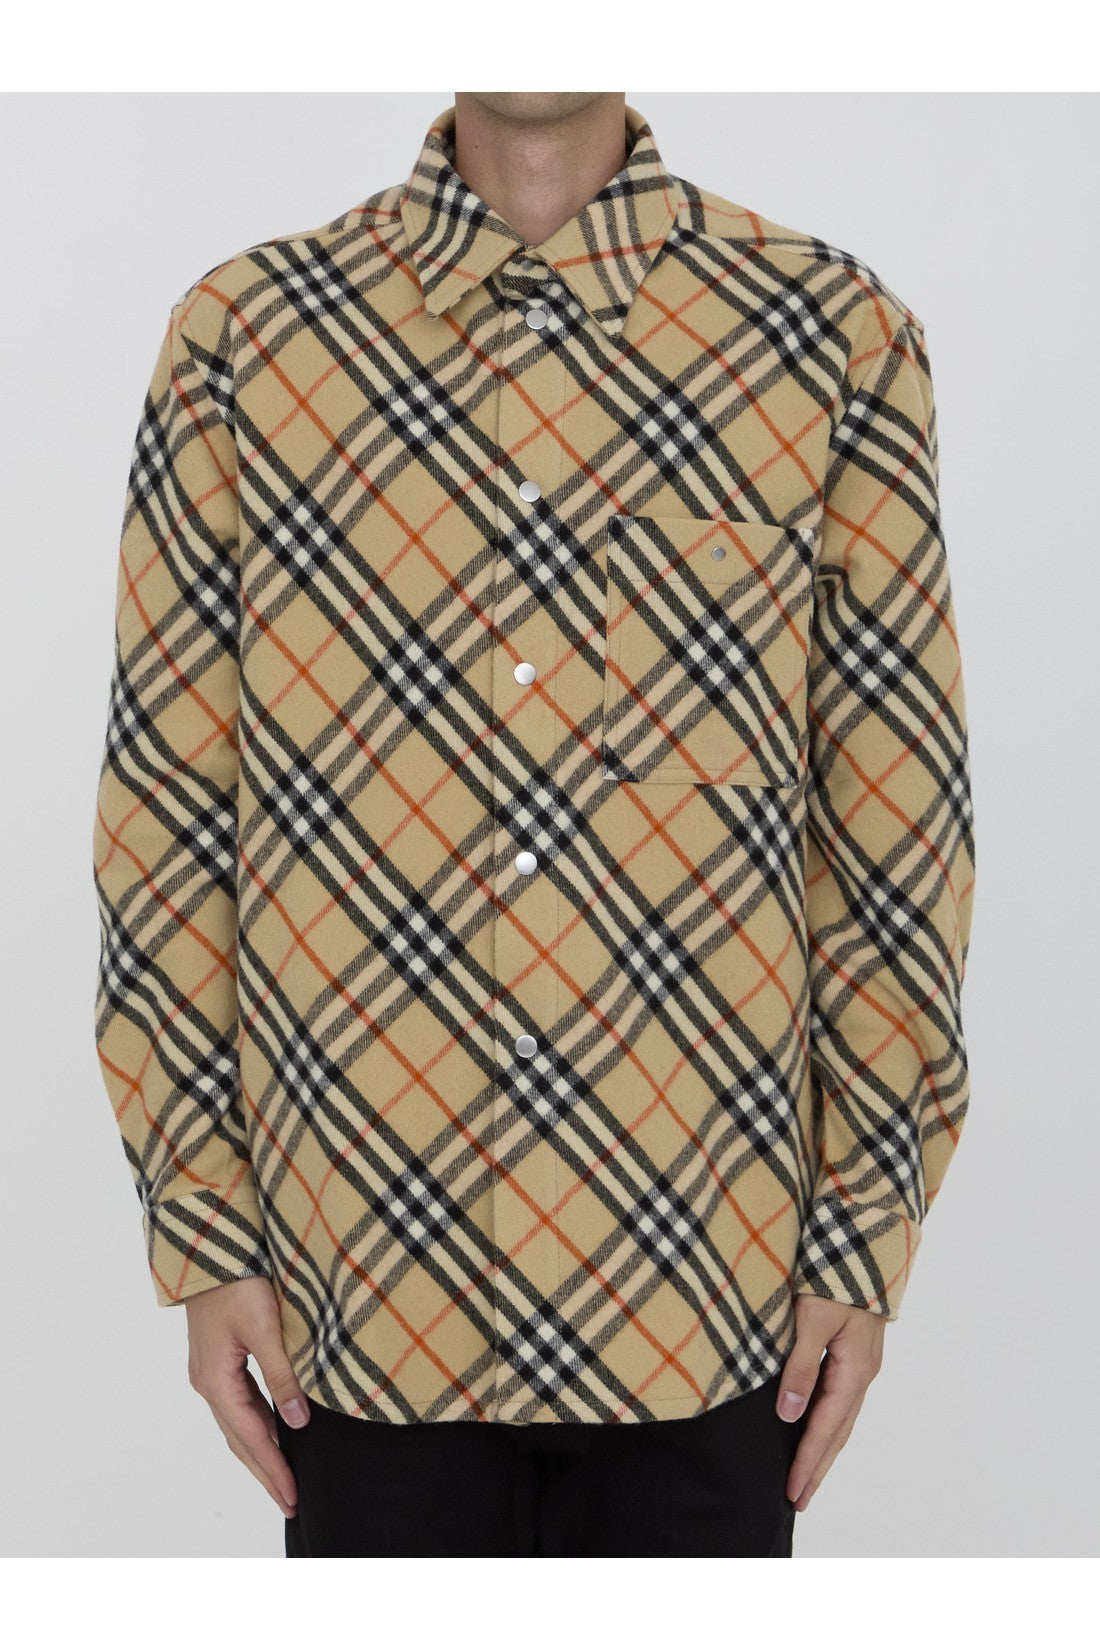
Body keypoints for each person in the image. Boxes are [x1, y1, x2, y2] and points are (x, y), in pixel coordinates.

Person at [91, 92, 976, 1558]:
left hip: (709, 1296)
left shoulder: (830, 335)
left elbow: (895, 827)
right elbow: (167, 813)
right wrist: (203, 1221)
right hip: (357, 1290)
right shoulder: (246, 340)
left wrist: (865, 1226)